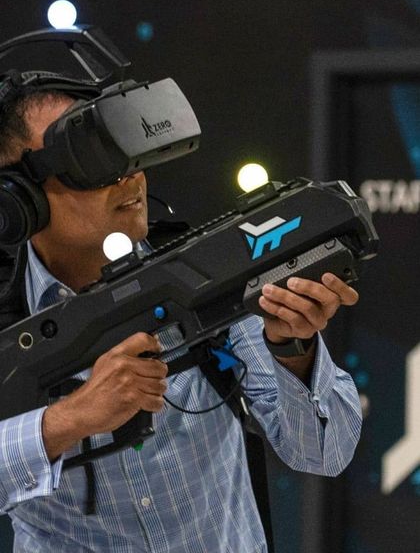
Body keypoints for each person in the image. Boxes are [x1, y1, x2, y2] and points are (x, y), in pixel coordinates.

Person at [0, 88, 362, 553]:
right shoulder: (11, 327)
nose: (129, 177)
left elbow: (325, 453)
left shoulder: (203, 275)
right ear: (18, 199)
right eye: (88, 161)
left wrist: (293, 349)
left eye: (124, 149)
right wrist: (67, 421)